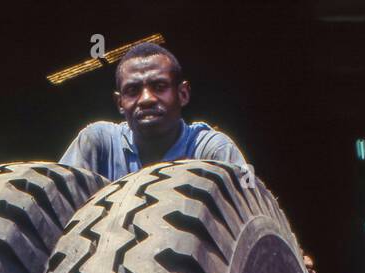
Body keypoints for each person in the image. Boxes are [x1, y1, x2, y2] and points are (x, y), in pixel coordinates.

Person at [60, 42, 247, 180]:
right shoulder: (99, 144)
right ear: (120, 103)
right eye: (133, 90)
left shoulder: (212, 151)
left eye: (159, 86)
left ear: (182, 94)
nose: (147, 99)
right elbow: (54, 208)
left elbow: (249, 221)